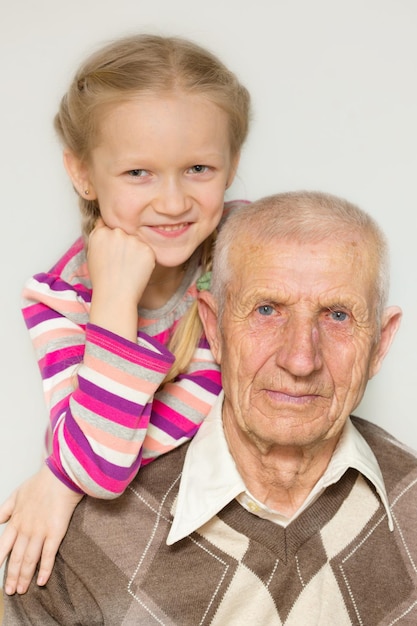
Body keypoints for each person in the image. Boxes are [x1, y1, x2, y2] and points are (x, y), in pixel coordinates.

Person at [5, 191, 416, 626]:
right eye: (266, 310)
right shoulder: (75, 542)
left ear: (380, 343)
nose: (300, 359)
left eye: (337, 316)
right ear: (214, 327)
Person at [0, 33, 251, 596]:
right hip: (150, 546)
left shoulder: (254, 255)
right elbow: (104, 467)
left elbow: (87, 467)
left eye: (199, 169)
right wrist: (114, 299)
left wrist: (58, 479)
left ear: (232, 165)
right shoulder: (61, 297)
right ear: (83, 173)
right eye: (139, 173)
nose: (172, 201)